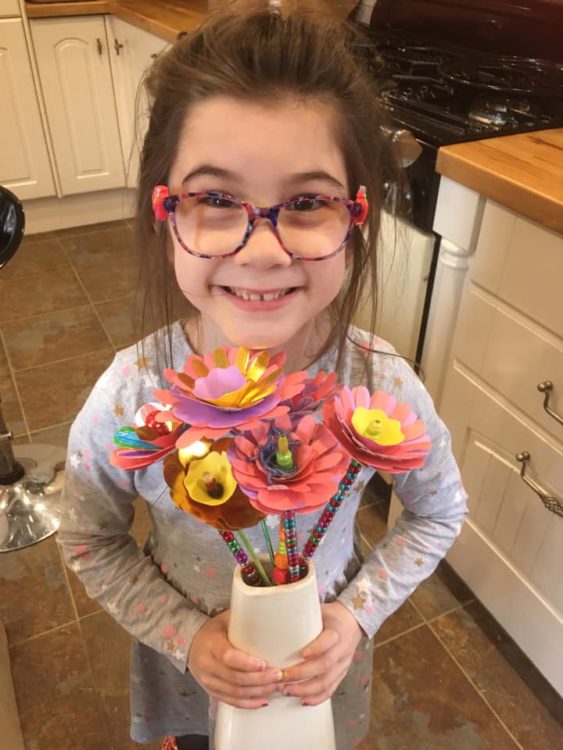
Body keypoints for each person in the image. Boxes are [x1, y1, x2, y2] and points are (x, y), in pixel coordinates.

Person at [57, 2, 468, 749]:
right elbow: (89, 536)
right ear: (164, 213)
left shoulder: (380, 387)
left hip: (321, 679)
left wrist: (353, 617)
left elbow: (438, 511)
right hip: (190, 679)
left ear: (355, 219)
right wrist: (184, 635)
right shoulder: (133, 394)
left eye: (306, 203)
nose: (262, 250)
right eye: (216, 200)